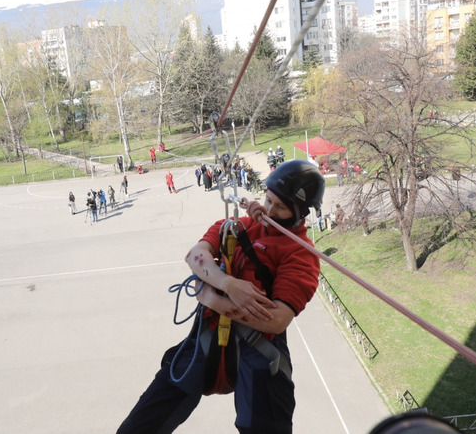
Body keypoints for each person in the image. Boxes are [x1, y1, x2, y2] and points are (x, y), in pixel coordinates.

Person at [116, 160, 326, 434]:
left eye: (281, 207)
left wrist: (212, 298)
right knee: (138, 427)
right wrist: (229, 284)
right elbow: (195, 256)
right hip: (208, 339)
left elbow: (276, 320)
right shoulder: (238, 228)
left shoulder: (301, 254)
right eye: (269, 200)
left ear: (301, 213)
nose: (270, 211)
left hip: (262, 348)